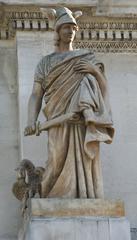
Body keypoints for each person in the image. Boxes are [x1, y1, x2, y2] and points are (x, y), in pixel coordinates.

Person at [24, 7, 114, 198]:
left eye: (73, 28)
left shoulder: (86, 58)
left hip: (83, 120)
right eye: (65, 27)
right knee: (56, 161)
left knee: (85, 158)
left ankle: (85, 197)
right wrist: (31, 121)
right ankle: (52, 197)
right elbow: (36, 94)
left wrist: (94, 71)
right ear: (57, 30)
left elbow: (103, 88)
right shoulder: (46, 63)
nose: (70, 31)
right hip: (58, 118)